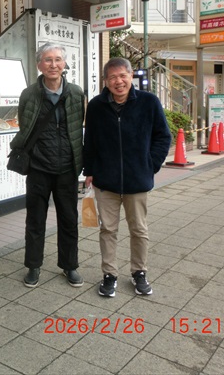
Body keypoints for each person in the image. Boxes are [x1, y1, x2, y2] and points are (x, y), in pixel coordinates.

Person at [83, 58, 171, 298]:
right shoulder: (96, 106)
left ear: (131, 76)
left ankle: (139, 272)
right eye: (112, 77)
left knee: (139, 230)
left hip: (137, 180)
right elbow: (89, 141)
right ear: (105, 81)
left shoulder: (148, 102)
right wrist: (89, 170)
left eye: (123, 76)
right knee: (107, 230)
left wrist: (150, 165)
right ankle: (109, 274)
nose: (118, 81)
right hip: (105, 181)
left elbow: (163, 137)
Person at [10, 43, 85, 289]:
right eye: (48, 60)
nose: (53, 64)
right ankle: (33, 265)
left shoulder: (76, 93)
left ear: (64, 64)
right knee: (35, 220)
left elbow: (77, 127)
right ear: (39, 65)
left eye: (58, 60)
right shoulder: (29, 94)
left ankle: (70, 265)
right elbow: (25, 127)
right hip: (38, 168)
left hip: (67, 169)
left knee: (69, 219)